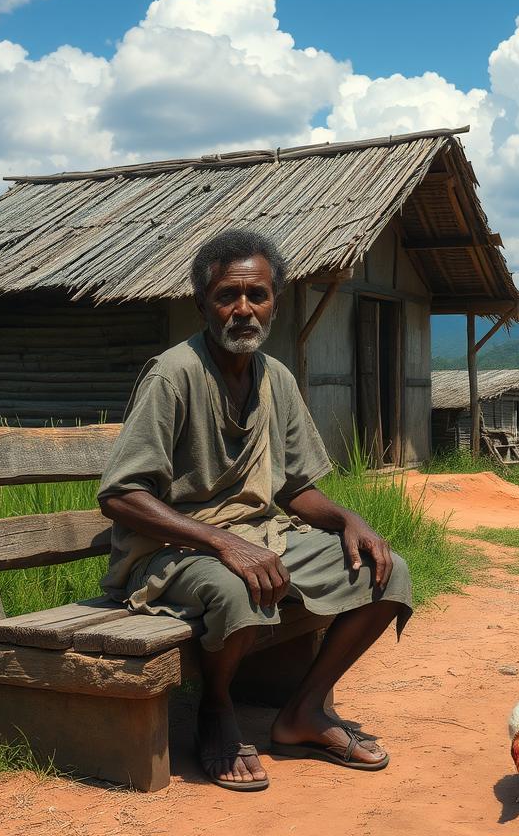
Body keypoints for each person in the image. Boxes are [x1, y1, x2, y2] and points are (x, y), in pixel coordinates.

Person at [97, 229, 412, 792]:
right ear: (202, 303)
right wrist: (224, 543)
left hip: (261, 539)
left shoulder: (277, 379)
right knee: (238, 586)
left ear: (275, 302)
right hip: (172, 553)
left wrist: (347, 521)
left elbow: (294, 489)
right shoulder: (174, 375)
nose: (243, 309)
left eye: (257, 295)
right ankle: (216, 709)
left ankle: (303, 713)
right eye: (227, 295)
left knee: (387, 573)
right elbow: (121, 495)